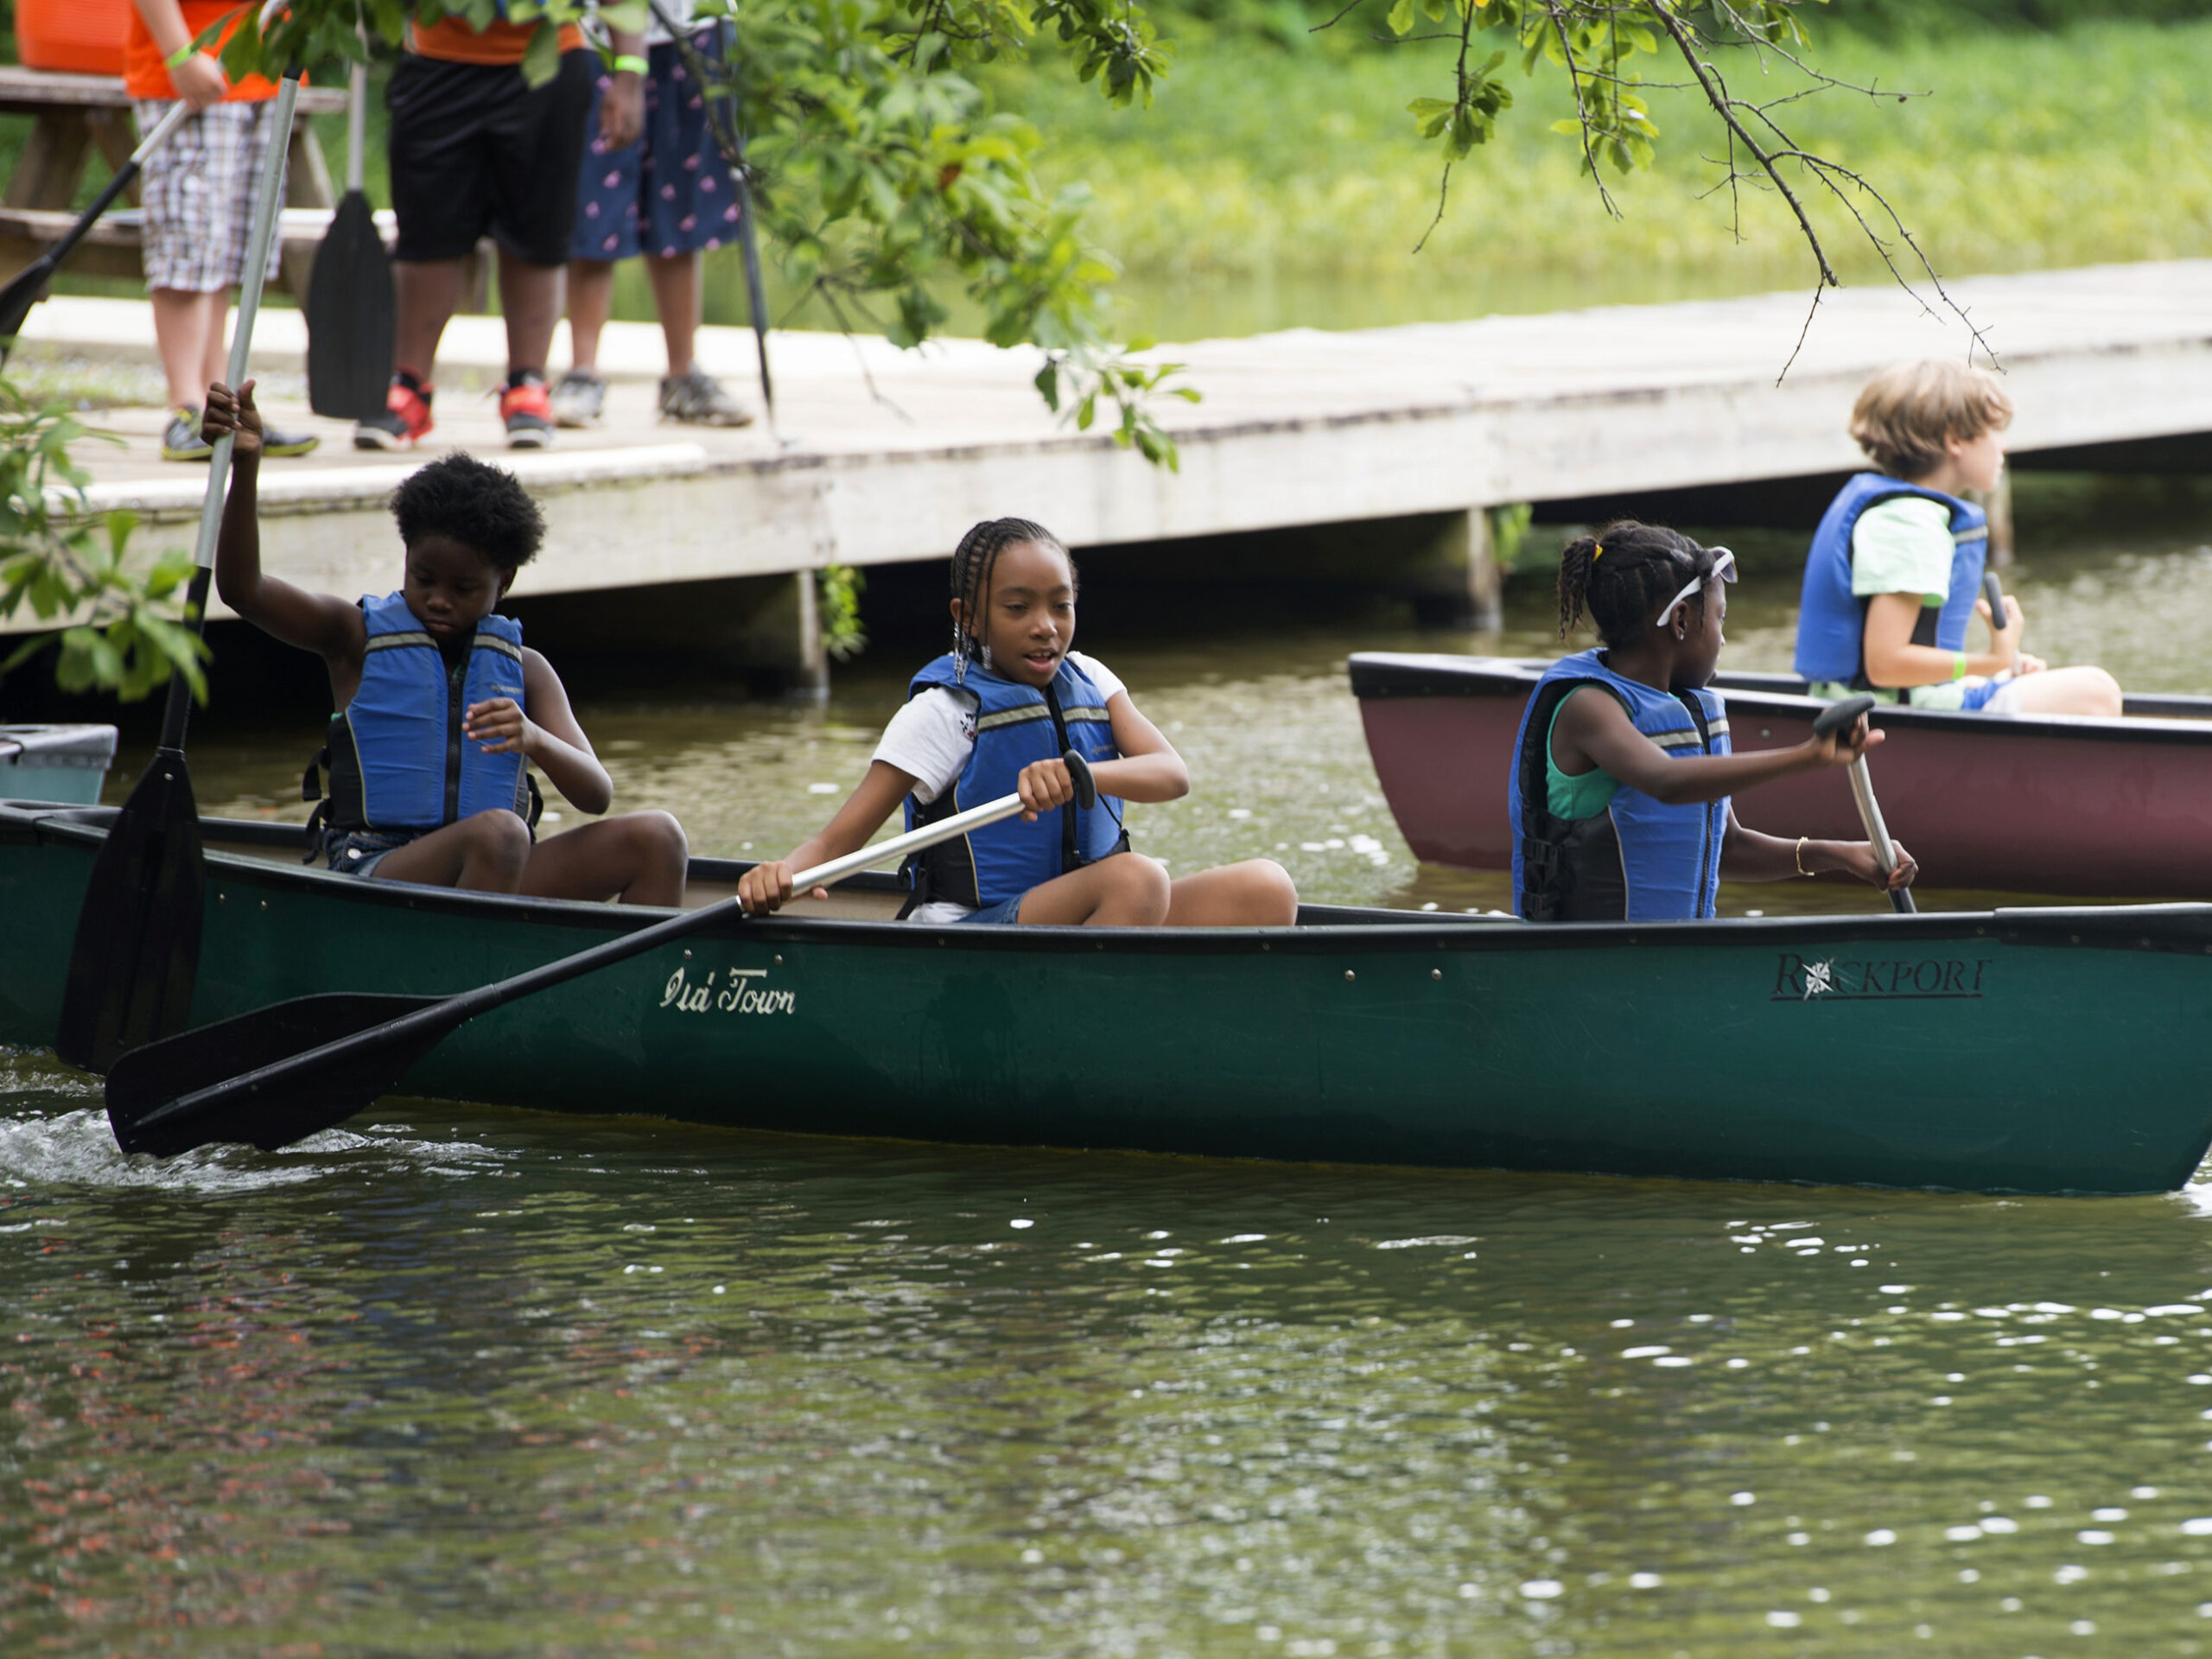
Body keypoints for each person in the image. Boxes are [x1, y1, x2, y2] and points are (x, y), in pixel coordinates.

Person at [207, 379, 690, 903]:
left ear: (503, 583)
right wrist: (247, 463)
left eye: (463, 589)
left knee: (658, 838)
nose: (439, 600)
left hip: (497, 866)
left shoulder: (526, 670)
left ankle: (640, 986)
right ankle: (466, 971)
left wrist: (534, 738)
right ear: (406, 558)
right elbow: (242, 589)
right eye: (424, 579)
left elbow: (596, 795)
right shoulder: (354, 636)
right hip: (377, 871)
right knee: (501, 833)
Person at [737, 518, 1300, 927]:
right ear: (969, 617)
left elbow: (1172, 774)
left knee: (1266, 889)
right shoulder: (942, 713)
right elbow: (840, 841)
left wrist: (1080, 774)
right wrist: (780, 874)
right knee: (1139, 878)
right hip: (972, 933)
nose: (1045, 627)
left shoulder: (1092, 678)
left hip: (1095, 914)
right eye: (1017, 608)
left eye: (1061, 606)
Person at [1510, 521, 1916, 923]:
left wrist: (1840, 854)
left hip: (1665, 963)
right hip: (1593, 963)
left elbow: (1730, 846)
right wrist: (1807, 756)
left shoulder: (1678, 707)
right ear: (1682, 621)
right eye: (1721, 617)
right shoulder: (1589, 706)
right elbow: (1665, 781)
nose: (1723, 639)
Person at [353, 4, 616, 452]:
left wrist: (628, 74)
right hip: (439, 54)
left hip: (548, 56)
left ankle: (527, 384)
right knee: (428, 228)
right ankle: (408, 385)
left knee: (537, 229)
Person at [1794, 359, 2122, 716]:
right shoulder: (1909, 525)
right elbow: (1884, 664)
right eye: (1995, 430)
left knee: (2026, 682)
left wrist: (1994, 669)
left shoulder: (1906, 514)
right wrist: (1989, 659)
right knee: (2096, 691)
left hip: (1897, 701)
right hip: (1887, 716)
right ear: (1954, 440)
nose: (2004, 446)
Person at [125, 0, 319, 463]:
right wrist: (178, 54)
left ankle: (224, 406)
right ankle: (186, 407)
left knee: (232, 249)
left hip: (264, 72)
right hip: (193, 69)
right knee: (187, 242)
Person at [553, 0, 753, 429]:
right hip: (599, 35)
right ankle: (582, 373)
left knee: (681, 210)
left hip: (694, 27)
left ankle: (682, 375)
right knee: (593, 206)